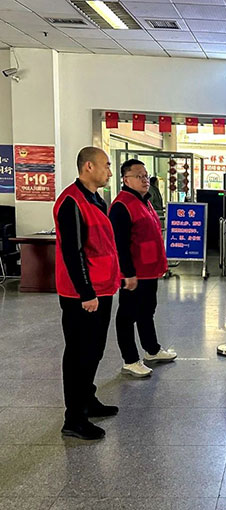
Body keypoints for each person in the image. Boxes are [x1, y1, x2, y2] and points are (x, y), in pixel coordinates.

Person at [53, 147, 120, 440]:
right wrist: (86, 292)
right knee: (79, 352)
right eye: (106, 165)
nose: (109, 172)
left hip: (102, 287)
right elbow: (73, 251)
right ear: (89, 167)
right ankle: (74, 418)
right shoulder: (71, 202)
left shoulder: (96, 199)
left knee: (94, 349)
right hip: (83, 294)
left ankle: (87, 399)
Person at [109, 159, 177, 378]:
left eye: (146, 176)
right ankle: (130, 360)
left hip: (149, 271)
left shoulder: (144, 201)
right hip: (134, 273)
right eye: (139, 176)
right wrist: (128, 273)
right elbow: (119, 244)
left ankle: (152, 349)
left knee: (147, 310)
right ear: (126, 179)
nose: (144, 180)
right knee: (127, 315)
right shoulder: (121, 206)